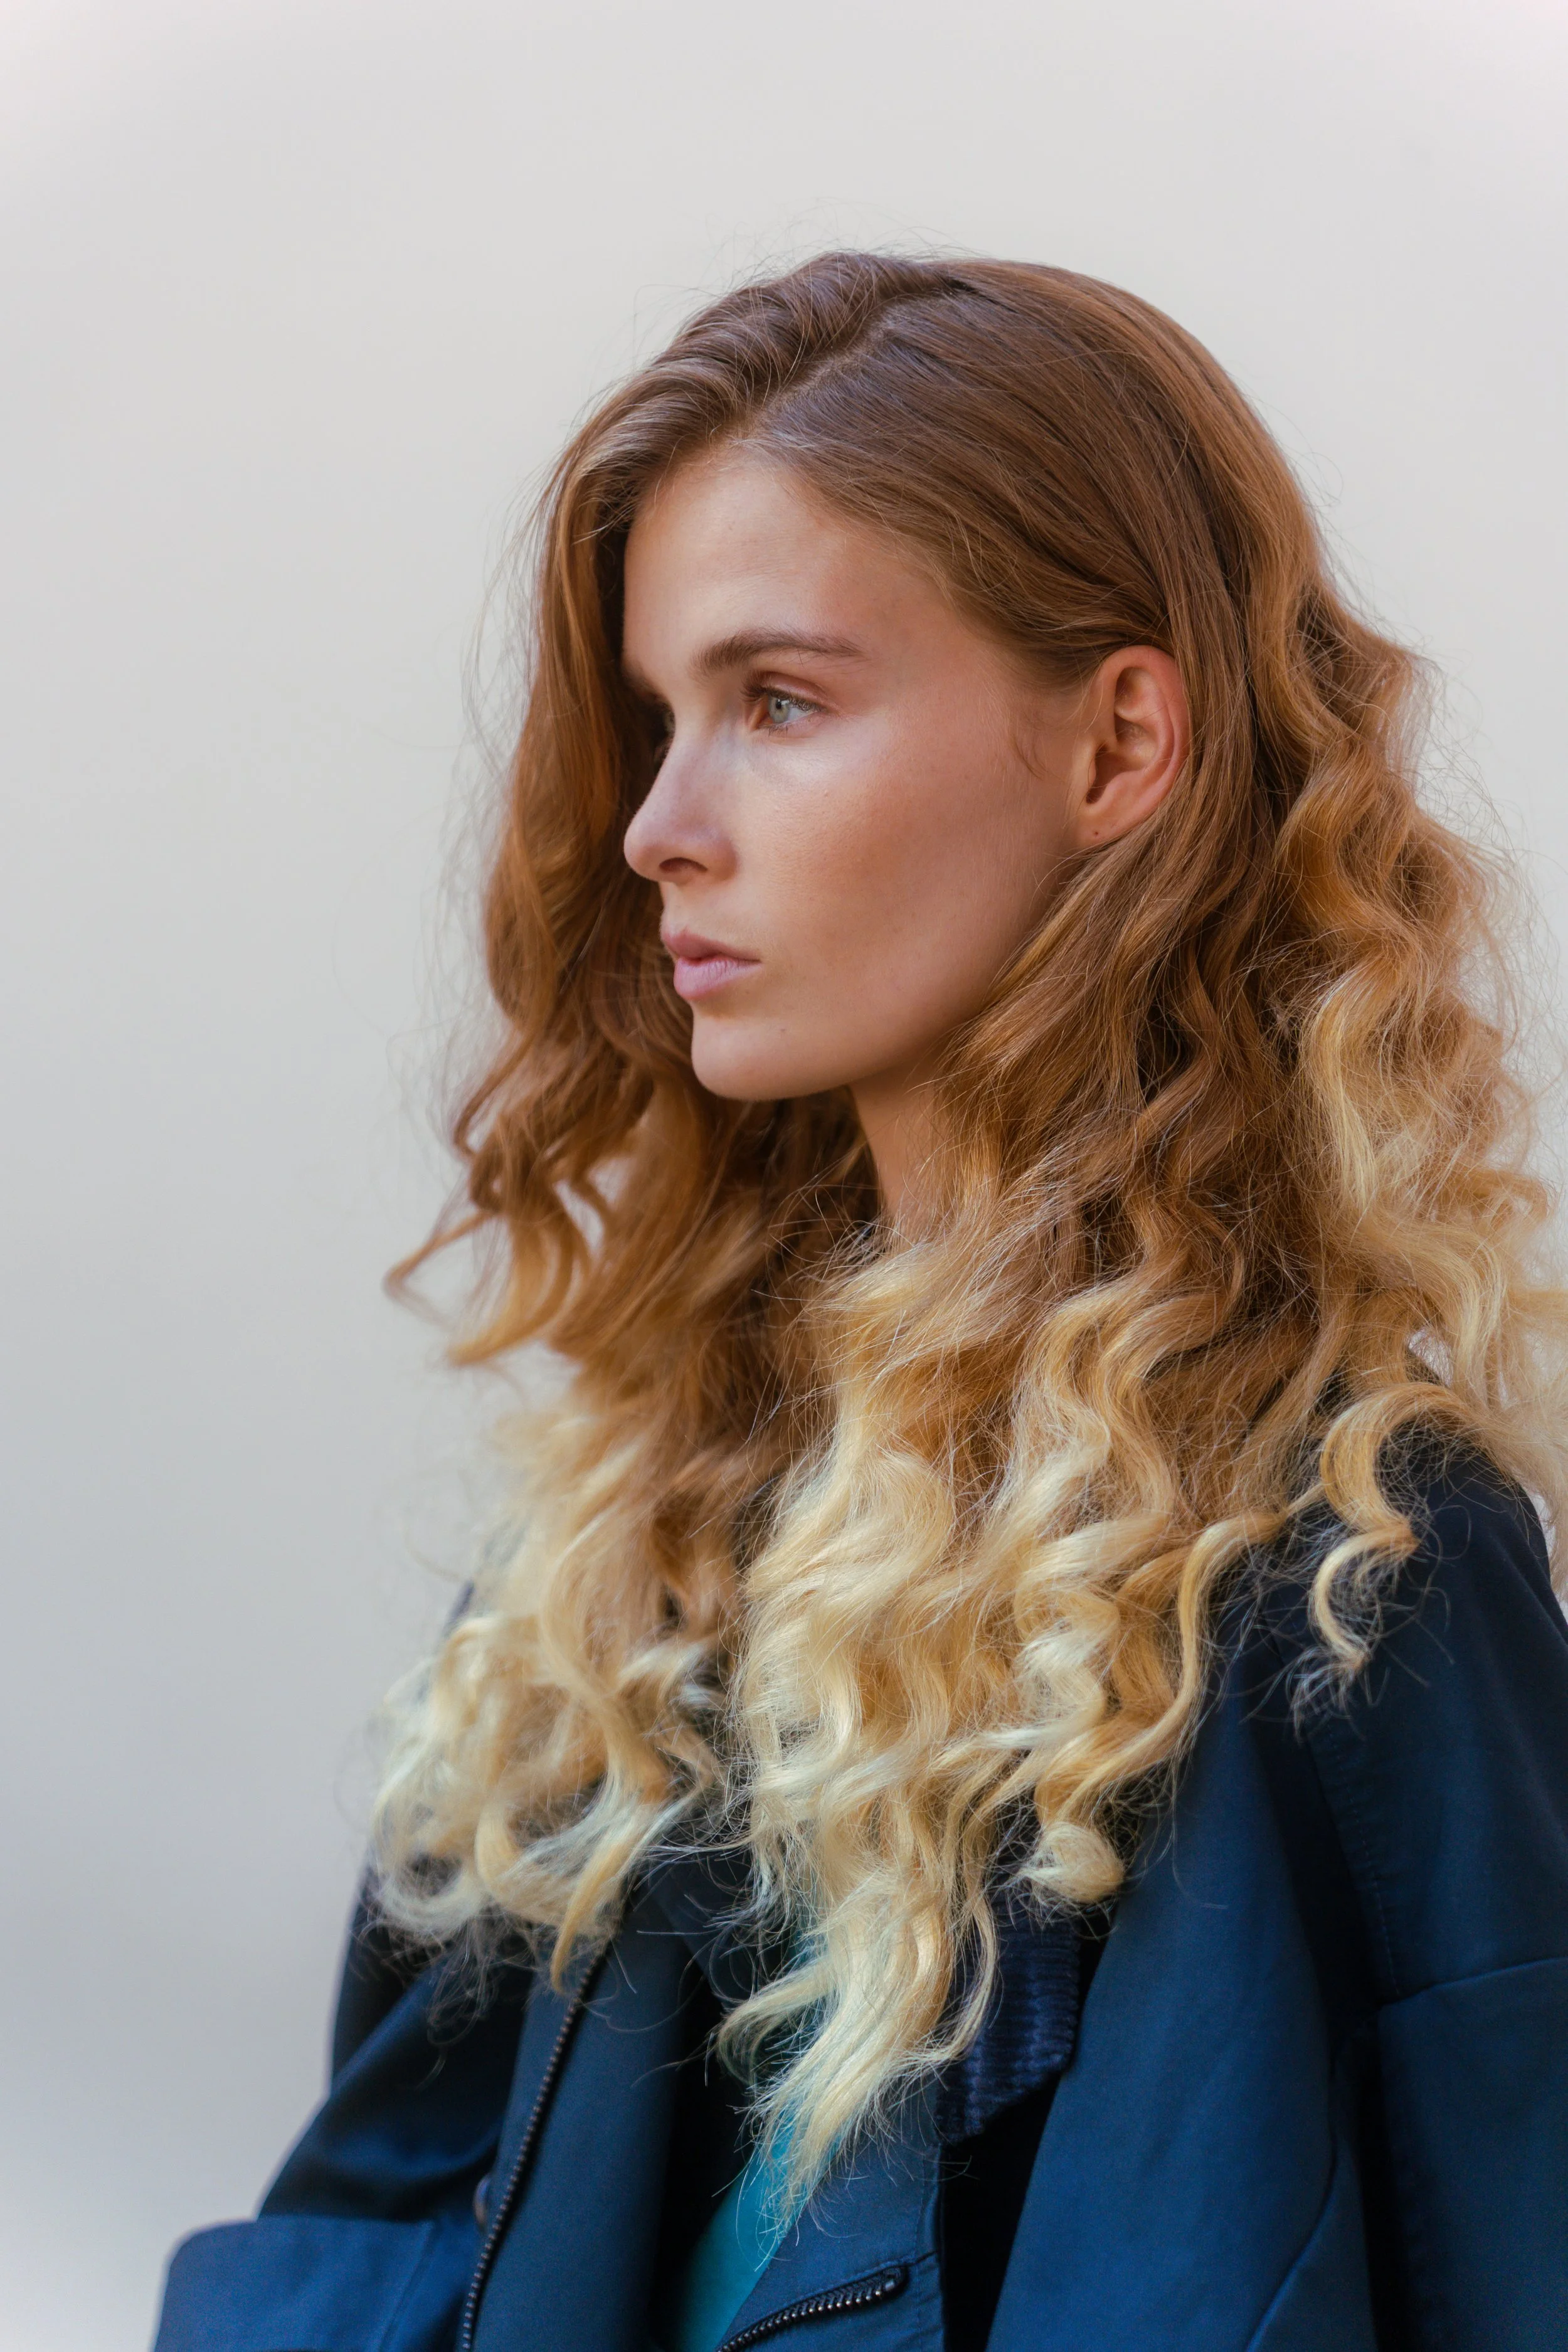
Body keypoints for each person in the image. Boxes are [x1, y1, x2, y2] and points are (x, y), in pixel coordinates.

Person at [152, 253, 1568, 2352]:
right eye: (657, 720)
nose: (658, 829)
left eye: (780, 702)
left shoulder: (1356, 1577)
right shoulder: (634, 1554)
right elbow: (372, 2240)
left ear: (1117, 742)